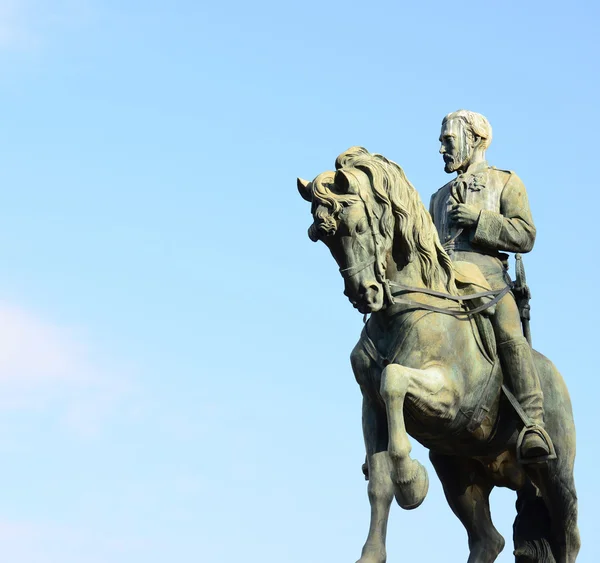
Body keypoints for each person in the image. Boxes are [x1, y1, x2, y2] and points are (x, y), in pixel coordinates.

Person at [429, 109, 553, 461]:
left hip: (488, 279)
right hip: (442, 280)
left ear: (476, 140)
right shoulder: (437, 198)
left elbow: (525, 234)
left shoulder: (505, 182)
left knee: (510, 335)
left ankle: (534, 424)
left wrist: (479, 219)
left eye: (448, 140)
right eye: (441, 141)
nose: (441, 149)